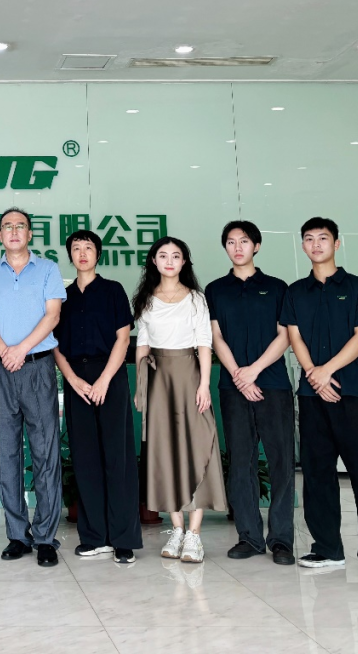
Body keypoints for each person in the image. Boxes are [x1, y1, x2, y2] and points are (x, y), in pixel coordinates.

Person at [280, 217, 358, 579]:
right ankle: (327, 548)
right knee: (317, 474)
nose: (316, 244)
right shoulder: (295, 292)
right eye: (309, 239)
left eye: (323, 238)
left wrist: (325, 370)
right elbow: (294, 338)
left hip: (352, 393)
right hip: (312, 396)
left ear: (337, 244)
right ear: (302, 246)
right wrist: (314, 375)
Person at [0, 207, 67, 567]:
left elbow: (53, 314)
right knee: (6, 453)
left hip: (38, 367)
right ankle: (18, 535)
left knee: (46, 452)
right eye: (7, 227)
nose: (14, 231)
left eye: (20, 226)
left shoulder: (47, 269)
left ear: (30, 234)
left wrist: (21, 349)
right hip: (1, 369)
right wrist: (5, 351)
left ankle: (45, 536)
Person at [205, 221, 295, 566]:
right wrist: (239, 377)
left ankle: (281, 539)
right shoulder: (216, 290)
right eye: (231, 242)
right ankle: (250, 537)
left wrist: (254, 371)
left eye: (244, 241)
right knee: (241, 462)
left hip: (273, 384)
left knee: (281, 461)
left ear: (256, 246)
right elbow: (216, 337)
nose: (237, 247)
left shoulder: (277, 288)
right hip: (233, 387)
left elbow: (285, 336)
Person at [132, 236, 225, 564]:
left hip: (189, 377)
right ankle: (176, 529)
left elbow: (204, 343)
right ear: (153, 261)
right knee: (164, 453)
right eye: (163, 255)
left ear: (184, 262)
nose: (169, 261)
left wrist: (204, 385)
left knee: (196, 447)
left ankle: (194, 535)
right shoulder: (145, 299)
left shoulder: (196, 299)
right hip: (158, 381)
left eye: (176, 256)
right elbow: (142, 344)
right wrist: (140, 387)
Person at [53, 230, 141, 564]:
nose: (82, 253)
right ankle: (93, 537)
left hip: (110, 377)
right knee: (85, 459)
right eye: (76, 248)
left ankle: (122, 539)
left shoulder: (113, 290)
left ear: (98, 253)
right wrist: (72, 379)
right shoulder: (62, 298)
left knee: (117, 458)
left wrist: (104, 380)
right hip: (77, 381)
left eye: (88, 247)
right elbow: (55, 345)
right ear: (70, 256)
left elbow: (123, 339)